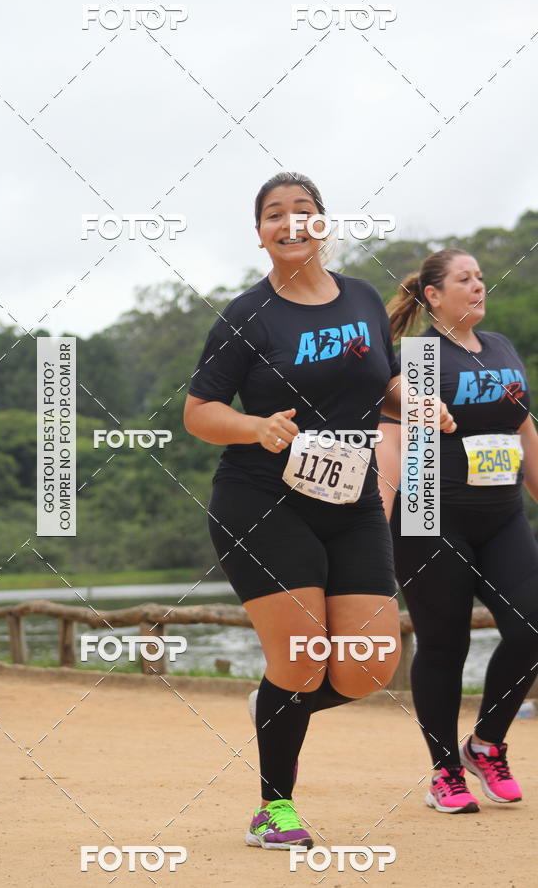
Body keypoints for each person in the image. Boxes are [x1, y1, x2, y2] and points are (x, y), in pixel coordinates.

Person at [183, 172, 456, 848]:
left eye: (304, 211)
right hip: (262, 498)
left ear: (323, 224)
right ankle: (273, 809)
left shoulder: (362, 298)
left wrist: (416, 404)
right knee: (304, 655)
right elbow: (199, 412)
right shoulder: (246, 315)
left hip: (351, 496)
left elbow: (381, 384)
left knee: (368, 666)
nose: (291, 222)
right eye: (275, 214)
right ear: (260, 235)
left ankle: (276, 699)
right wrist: (255, 428)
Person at [376, 248, 538, 814]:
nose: (478, 285)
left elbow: (523, 431)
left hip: (502, 517)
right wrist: (378, 524)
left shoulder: (501, 349)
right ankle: (445, 770)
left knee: (531, 626)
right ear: (434, 296)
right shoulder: (418, 356)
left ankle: (486, 743)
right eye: (464, 279)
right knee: (445, 644)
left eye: (481, 277)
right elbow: (390, 427)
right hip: (430, 516)